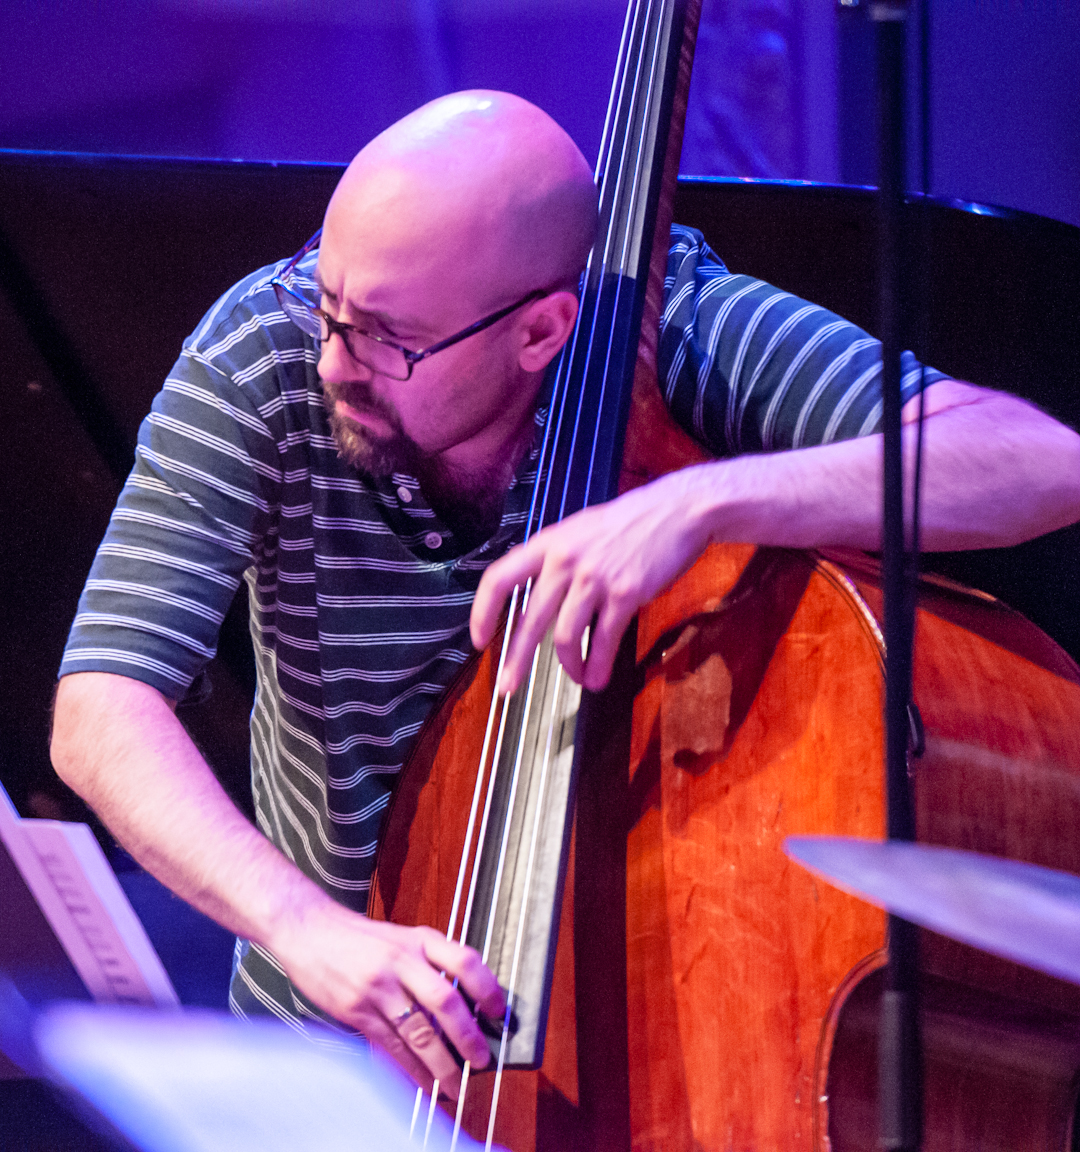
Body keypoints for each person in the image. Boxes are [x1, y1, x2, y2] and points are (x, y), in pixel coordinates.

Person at [50, 90, 1080, 1095]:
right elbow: (100, 712)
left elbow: (1037, 461)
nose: (334, 362)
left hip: (652, 1068)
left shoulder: (677, 329)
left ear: (542, 331)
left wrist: (711, 499)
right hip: (334, 1054)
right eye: (327, 305)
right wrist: (304, 929)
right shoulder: (268, 351)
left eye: (383, 337)